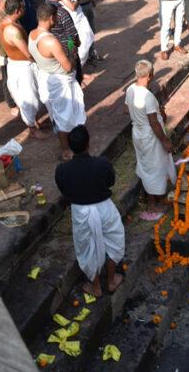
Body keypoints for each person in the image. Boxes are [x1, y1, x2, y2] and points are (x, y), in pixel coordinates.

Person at [54, 125, 125, 297]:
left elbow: (64, 191)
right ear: (88, 143)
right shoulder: (103, 163)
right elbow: (110, 182)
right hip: (104, 208)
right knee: (112, 241)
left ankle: (95, 286)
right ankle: (110, 281)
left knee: (87, 247)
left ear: (70, 147)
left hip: (80, 212)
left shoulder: (62, 170)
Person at [29, 3, 85, 160]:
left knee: (60, 114)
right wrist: (73, 53)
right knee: (64, 117)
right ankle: (66, 149)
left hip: (47, 76)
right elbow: (67, 66)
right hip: (60, 81)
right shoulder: (50, 41)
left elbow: (34, 57)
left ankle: (69, 143)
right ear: (51, 18)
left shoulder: (32, 34)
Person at [125, 60, 175, 220]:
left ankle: (154, 200)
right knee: (156, 169)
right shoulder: (148, 97)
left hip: (138, 134)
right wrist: (165, 140)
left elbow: (128, 109)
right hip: (150, 137)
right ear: (150, 76)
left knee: (146, 167)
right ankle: (153, 203)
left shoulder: (130, 89)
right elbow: (154, 122)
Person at [0, 0, 49, 139]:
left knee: (33, 95)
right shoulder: (11, 30)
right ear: (16, 11)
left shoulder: (8, 22)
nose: (24, 10)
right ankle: (32, 128)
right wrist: (40, 60)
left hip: (20, 65)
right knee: (29, 98)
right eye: (22, 8)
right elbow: (27, 53)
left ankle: (35, 122)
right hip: (22, 67)